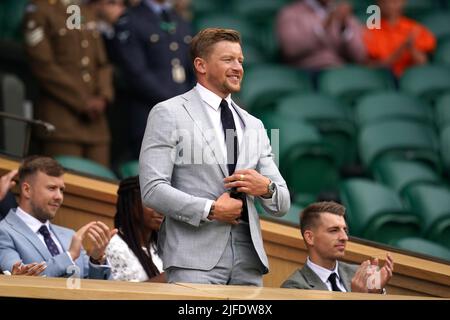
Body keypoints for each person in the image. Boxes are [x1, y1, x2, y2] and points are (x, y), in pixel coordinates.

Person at [139, 28, 291, 286]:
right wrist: (210, 210)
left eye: (240, 61)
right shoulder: (168, 113)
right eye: (228, 59)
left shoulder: (254, 124)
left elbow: (283, 202)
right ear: (201, 65)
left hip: (249, 261)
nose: (237, 67)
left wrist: (265, 188)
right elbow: (153, 190)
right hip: (194, 259)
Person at [23, 0, 114, 166]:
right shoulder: (40, 10)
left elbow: (102, 64)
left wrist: (103, 96)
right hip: (61, 122)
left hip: (96, 124)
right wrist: (82, 101)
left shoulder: (84, 11)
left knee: (102, 186)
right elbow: (43, 65)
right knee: (61, 182)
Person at [0, 156, 117, 278]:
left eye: (61, 190)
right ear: (27, 190)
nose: (59, 197)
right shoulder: (3, 231)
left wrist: (96, 259)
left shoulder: (70, 235)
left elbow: (93, 288)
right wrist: (69, 256)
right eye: (51, 188)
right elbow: (18, 280)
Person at [109, 0, 195, 158]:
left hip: (183, 117)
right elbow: (135, 73)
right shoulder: (130, 19)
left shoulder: (180, 19)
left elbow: (194, 68)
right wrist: (176, 103)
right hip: (147, 116)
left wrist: (190, 100)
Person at [282, 201, 394, 293]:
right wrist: (358, 298)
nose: (344, 237)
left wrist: (375, 294)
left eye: (345, 230)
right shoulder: (294, 288)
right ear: (310, 237)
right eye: (334, 230)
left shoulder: (359, 275)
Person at [276, 0, 366, 71]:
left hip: (339, 70)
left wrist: (344, 27)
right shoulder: (291, 13)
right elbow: (291, 49)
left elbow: (360, 56)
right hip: (307, 72)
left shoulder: (342, 14)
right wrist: (323, 27)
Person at [106, 176, 165, 282]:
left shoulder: (160, 245)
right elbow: (125, 295)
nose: (161, 210)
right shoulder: (116, 247)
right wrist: (172, 276)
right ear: (131, 204)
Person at [364, 0, 436, 77]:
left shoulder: (414, 28)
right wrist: (400, 51)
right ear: (379, 4)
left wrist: (411, 48)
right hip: (384, 77)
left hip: (413, 77)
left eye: (395, 1)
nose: (391, 5)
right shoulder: (370, 31)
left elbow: (423, 63)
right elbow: (370, 65)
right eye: (386, 2)